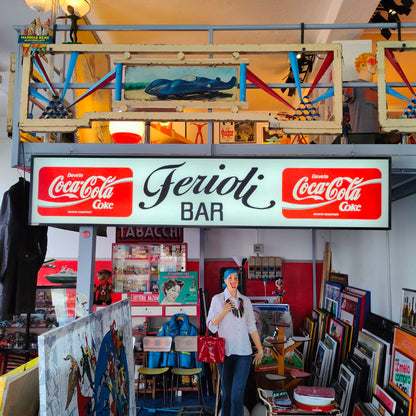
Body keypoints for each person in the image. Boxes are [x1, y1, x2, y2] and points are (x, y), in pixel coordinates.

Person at [206, 268, 264, 416]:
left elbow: (251, 326)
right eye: (230, 278)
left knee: (237, 396)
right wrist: (224, 311)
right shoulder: (217, 299)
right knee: (226, 395)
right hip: (225, 353)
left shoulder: (245, 301)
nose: (233, 281)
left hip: (244, 353)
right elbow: (211, 327)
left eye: (236, 278)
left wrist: (260, 349)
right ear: (224, 281)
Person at [342, 52, 380, 143]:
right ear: (362, 65)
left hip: (377, 137)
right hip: (360, 136)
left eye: (376, 62)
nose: (375, 64)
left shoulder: (378, 89)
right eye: (372, 61)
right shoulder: (352, 86)